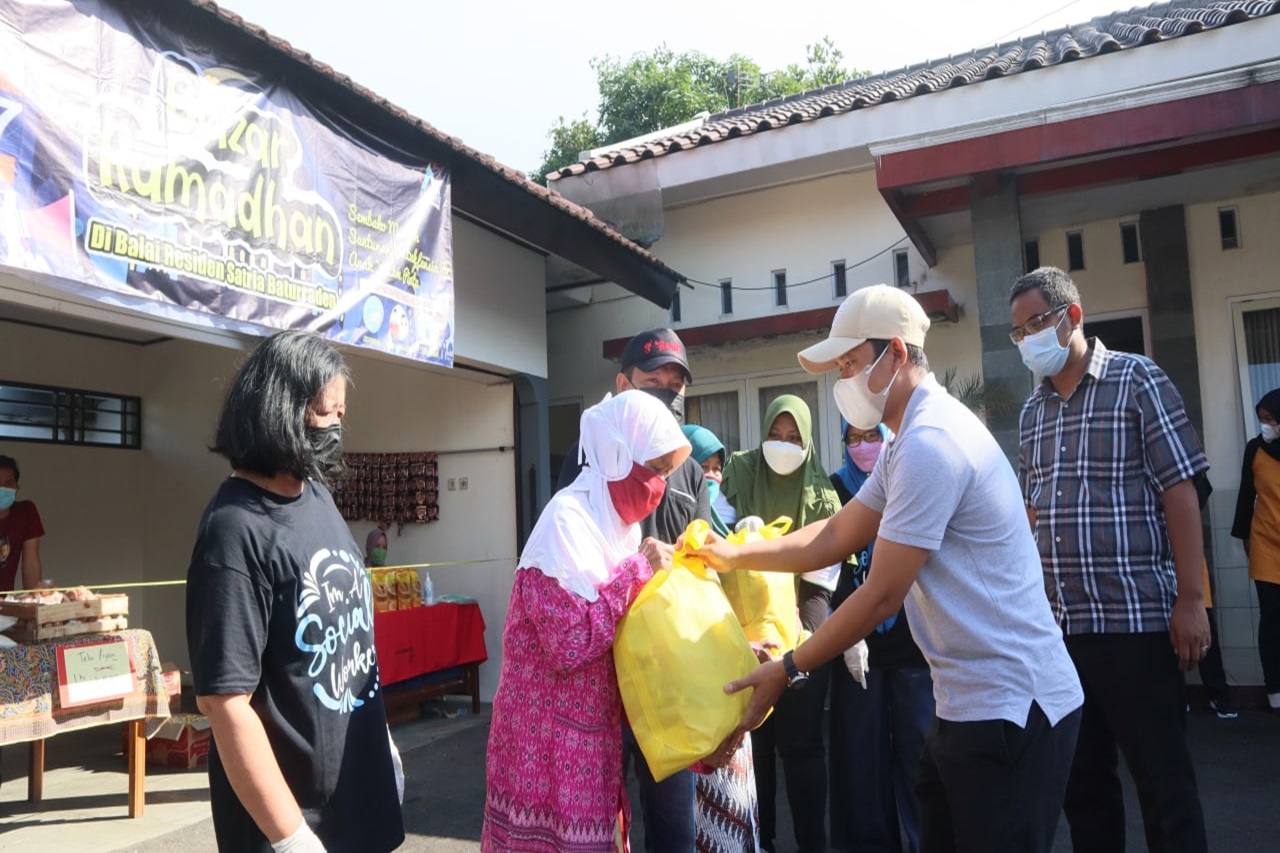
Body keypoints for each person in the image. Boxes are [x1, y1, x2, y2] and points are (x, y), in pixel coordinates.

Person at [695, 284, 1084, 853]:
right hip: (964, 704)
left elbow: (881, 595)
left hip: (1013, 706)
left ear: (896, 354)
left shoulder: (931, 442)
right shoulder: (907, 441)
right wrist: (732, 552)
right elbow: (835, 533)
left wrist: (790, 666)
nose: (843, 381)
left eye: (851, 363)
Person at [1009, 266, 1210, 852]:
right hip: (1061, 634)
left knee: (1165, 788)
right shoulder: (1032, 414)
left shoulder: (1137, 380)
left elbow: (1180, 488)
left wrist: (1192, 599)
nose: (1028, 340)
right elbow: (1030, 514)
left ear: (1072, 315)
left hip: (1137, 626)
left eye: (1036, 324)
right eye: (1018, 333)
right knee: (1084, 792)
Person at [186, 330, 404, 853]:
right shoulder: (233, 530)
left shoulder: (318, 497)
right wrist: (290, 838)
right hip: (297, 822)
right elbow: (225, 702)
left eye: (340, 415)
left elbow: (350, 646)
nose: (335, 428)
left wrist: (385, 745)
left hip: (361, 800)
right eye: (325, 414)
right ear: (280, 409)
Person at [482, 390, 690, 852]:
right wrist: (638, 570)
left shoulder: (621, 527)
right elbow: (568, 644)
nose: (659, 485)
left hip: (593, 738)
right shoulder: (566, 520)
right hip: (543, 744)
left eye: (663, 473)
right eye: (652, 469)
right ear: (618, 456)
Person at [557, 327, 711, 850]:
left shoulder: (687, 468)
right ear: (623, 385)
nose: (667, 396)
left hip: (668, 672)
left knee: (674, 825)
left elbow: (703, 560)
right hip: (603, 672)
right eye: (653, 384)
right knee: (598, 819)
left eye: (676, 386)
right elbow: (568, 570)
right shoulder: (587, 460)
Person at [721, 394, 839, 853]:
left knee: (803, 744)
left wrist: (801, 652)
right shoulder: (742, 472)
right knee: (755, 747)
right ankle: (759, 842)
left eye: (794, 439)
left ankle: (812, 844)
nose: (783, 445)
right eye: (775, 435)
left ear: (808, 443)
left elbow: (819, 588)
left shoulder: (820, 491)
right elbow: (720, 544)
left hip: (801, 629)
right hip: (740, 630)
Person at [826, 421, 933, 853]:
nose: (864, 447)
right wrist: (844, 626)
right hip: (857, 642)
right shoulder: (834, 488)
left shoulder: (907, 481)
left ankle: (927, 840)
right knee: (863, 757)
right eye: (853, 438)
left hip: (912, 641)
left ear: (889, 437)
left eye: (872, 436)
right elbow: (830, 558)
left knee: (920, 754)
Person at [682, 422, 759, 852]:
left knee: (737, 796)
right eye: (701, 466)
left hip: (737, 675)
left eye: (716, 468)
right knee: (700, 805)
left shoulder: (735, 531)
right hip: (697, 683)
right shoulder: (681, 533)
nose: (710, 476)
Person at [1231, 387, 1280, 715]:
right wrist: (1245, 536)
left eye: (1271, 419)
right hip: (1266, 544)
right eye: (1262, 420)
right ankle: (1276, 691)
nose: (1266, 426)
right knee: (1272, 620)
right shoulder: (1255, 449)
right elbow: (1246, 493)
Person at [0, 453, 44, 592]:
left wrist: (34, 603)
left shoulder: (25, 512)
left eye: (8, 484)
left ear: (17, 488)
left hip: (5, 606)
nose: (2, 488)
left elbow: (30, 565)